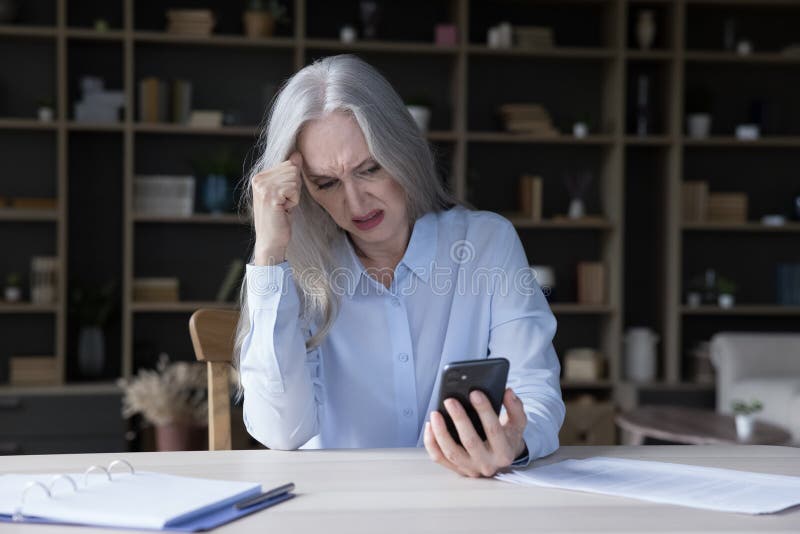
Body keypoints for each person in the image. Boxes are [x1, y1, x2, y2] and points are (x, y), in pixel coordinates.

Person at [236, 54, 564, 478]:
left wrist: (515, 439)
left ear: (402, 150)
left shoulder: (485, 244)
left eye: (369, 169)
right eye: (327, 183)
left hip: (462, 504)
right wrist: (268, 257)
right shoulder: (296, 271)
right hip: (337, 510)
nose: (354, 204)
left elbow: (536, 391)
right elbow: (280, 431)